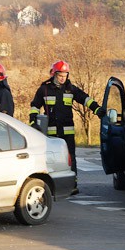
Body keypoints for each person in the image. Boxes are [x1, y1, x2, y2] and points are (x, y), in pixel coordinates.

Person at [29, 60, 106, 195]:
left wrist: (97, 109)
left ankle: (73, 185)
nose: (63, 78)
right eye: (60, 75)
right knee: (51, 159)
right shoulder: (44, 89)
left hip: (67, 132)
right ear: (53, 74)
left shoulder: (71, 89)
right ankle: (51, 185)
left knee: (71, 158)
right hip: (51, 132)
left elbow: (85, 99)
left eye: (65, 75)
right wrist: (33, 122)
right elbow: (35, 106)